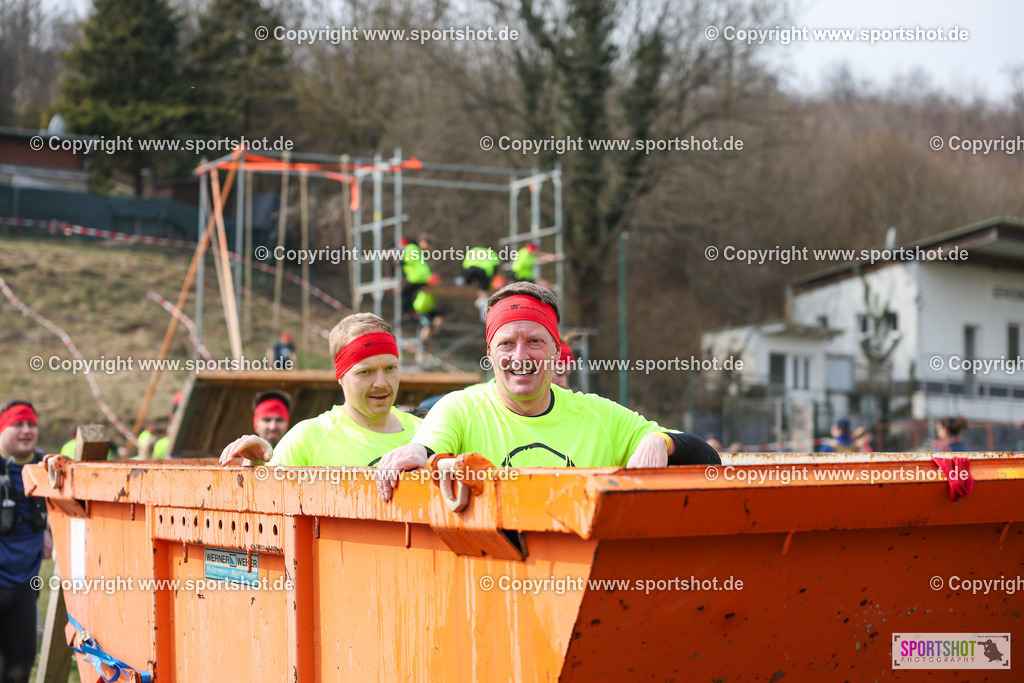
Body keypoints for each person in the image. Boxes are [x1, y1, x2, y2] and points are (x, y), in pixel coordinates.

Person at [376, 282, 720, 501]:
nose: (520, 356)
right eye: (506, 343)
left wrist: (662, 441)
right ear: (490, 352)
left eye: (534, 342)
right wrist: (417, 452)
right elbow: (428, 446)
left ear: (556, 350)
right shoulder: (460, 409)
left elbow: (708, 460)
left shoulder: (597, 415)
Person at [219, 313, 421, 467]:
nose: (381, 383)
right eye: (365, 372)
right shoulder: (308, 439)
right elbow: (266, 502)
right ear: (341, 376)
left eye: (390, 368)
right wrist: (257, 466)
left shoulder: (427, 432)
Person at [0, 400, 49, 683]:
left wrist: (50, 533)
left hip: (25, 586)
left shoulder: (48, 468)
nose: (26, 430)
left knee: (20, 667)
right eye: (17, 424)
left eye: (31, 424)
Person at [458, 246, 502, 321]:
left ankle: (465, 283)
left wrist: (467, 280)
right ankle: (482, 307)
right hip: (484, 271)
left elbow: (465, 265)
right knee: (483, 289)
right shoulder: (492, 253)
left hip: (470, 269)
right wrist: (489, 282)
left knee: (466, 281)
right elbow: (495, 269)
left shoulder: (473, 250)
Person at [413, 276, 444, 368]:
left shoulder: (435, 292)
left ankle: (432, 334)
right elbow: (420, 305)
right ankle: (422, 347)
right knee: (427, 327)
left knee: (439, 317)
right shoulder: (427, 290)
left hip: (428, 311)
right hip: (420, 311)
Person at [400, 234, 434, 318]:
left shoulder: (412, 247)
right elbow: (412, 259)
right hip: (421, 276)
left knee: (405, 294)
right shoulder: (413, 247)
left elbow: (409, 260)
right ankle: (412, 313)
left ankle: (409, 313)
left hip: (417, 277)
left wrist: (401, 262)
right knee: (409, 294)